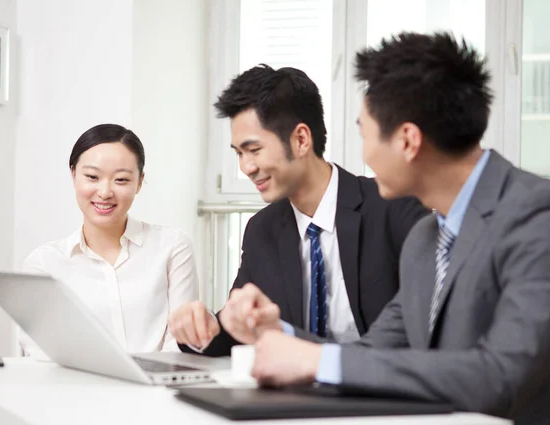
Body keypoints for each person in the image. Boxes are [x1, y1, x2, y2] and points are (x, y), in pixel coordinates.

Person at [229, 33, 550, 424]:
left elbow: (501, 376)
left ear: (408, 141)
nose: (363, 154)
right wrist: (280, 331)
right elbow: (371, 357)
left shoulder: (536, 216)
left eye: (364, 134)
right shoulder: (425, 239)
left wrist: (313, 359)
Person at [168, 64, 429, 356]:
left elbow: (418, 336)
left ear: (301, 139)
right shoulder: (262, 230)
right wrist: (204, 329)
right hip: (294, 395)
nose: (246, 167)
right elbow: (243, 330)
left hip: (378, 391)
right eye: (238, 153)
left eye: (254, 150)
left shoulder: (393, 208)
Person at [20, 124, 199, 357]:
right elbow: (39, 349)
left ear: (139, 182)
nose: (104, 192)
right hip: (75, 390)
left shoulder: (173, 246)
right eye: (92, 177)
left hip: (155, 388)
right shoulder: (43, 263)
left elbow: (180, 341)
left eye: (121, 180)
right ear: (74, 175)